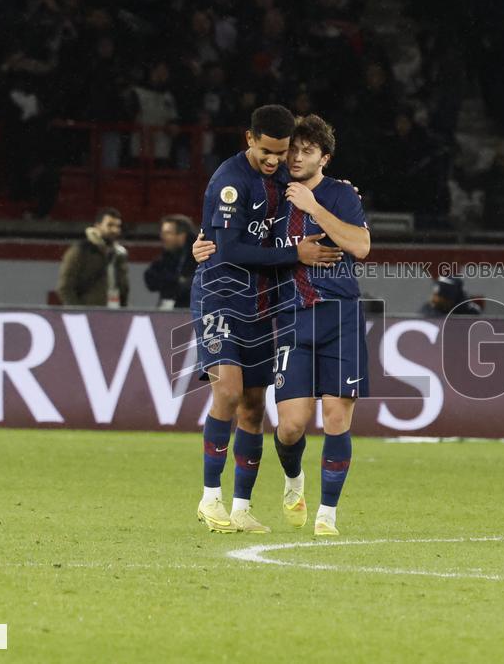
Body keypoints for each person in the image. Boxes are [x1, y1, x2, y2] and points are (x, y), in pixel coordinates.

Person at [189, 105, 341, 534]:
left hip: (264, 303)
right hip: (221, 298)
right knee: (230, 391)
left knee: (255, 409)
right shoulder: (230, 182)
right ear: (249, 139)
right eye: (267, 152)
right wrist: (297, 253)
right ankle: (209, 499)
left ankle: (241, 507)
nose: (275, 160)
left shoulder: (281, 178)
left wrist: (340, 189)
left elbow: (316, 184)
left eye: (282, 152)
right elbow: (230, 250)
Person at [267, 114, 371, 536]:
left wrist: (315, 208)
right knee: (291, 425)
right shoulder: (270, 194)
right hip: (291, 315)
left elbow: (361, 247)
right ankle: (294, 480)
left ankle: (327, 514)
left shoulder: (341, 195)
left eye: (307, 151)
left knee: (335, 417)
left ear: (324, 158)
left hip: (339, 314)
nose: (296, 157)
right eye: (293, 149)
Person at [57, 208, 129, 307]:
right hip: (88, 314)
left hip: (114, 312)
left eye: (117, 226)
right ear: (97, 226)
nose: (114, 230)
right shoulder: (81, 251)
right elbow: (65, 287)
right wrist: (78, 312)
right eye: (110, 225)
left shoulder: (119, 254)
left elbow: (123, 288)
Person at [143, 215, 197, 309]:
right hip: (167, 310)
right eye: (162, 233)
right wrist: (177, 280)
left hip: (189, 312)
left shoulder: (199, 257)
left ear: (182, 236)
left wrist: (170, 282)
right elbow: (150, 280)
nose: (162, 237)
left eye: (167, 233)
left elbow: (191, 286)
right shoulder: (166, 256)